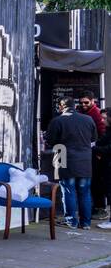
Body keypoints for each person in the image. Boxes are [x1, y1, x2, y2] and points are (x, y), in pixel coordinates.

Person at [46, 98, 97, 230]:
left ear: (62, 106)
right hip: (85, 160)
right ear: (74, 106)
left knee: (68, 191)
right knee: (85, 192)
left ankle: (71, 221)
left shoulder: (57, 121)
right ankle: (86, 223)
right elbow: (93, 138)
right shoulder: (88, 119)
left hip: (64, 158)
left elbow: (50, 140)